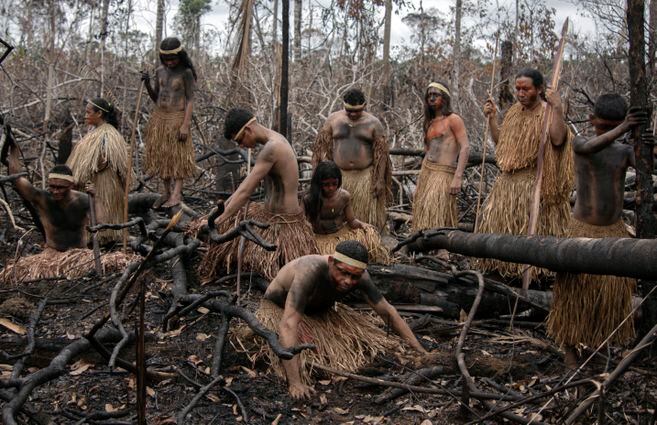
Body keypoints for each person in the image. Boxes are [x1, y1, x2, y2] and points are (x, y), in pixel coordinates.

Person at [546, 95, 647, 368]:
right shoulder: (581, 143)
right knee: (572, 294)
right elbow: (591, 145)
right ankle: (570, 349)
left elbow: (647, 169)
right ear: (591, 121)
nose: (608, 132)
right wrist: (624, 127)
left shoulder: (624, 151)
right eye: (603, 126)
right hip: (581, 229)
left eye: (612, 126)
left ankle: (599, 347)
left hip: (612, 232)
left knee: (607, 297)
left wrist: (644, 144)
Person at [258, 240, 427, 399]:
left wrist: (420, 351)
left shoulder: (361, 276)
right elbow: (288, 324)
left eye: (355, 277)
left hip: (319, 313)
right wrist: (295, 383)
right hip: (280, 311)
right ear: (331, 261)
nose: (348, 281)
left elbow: (387, 311)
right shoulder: (309, 271)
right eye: (343, 272)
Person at [200, 108, 318, 281]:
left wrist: (217, 221)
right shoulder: (275, 139)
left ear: (248, 130)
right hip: (270, 218)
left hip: (285, 225)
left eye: (240, 140)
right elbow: (241, 190)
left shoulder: (272, 148)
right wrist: (216, 214)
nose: (241, 145)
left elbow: (246, 192)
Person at [478, 68, 573, 279]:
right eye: (518, 89)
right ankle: (503, 273)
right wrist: (492, 118)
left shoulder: (547, 113)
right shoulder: (513, 112)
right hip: (507, 187)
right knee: (502, 238)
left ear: (539, 89)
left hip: (533, 186)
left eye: (526, 89)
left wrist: (557, 108)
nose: (520, 93)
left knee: (530, 241)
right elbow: (501, 144)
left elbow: (558, 139)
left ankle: (531, 276)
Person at [2, 144, 133, 282]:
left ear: (71, 186)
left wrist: (96, 198)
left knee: (117, 264)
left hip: (79, 255)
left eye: (60, 187)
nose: (56, 191)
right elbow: (16, 178)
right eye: (52, 186)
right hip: (51, 256)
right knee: (14, 274)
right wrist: (14, 148)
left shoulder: (83, 201)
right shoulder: (42, 198)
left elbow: (101, 223)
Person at [312, 88, 391, 230]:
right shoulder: (333, 120)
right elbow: (320, 147)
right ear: (344, 105)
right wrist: (318, 173)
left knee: (364, 221)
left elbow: (382, 155)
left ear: (364, 105)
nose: (353, 114)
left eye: (357, 111)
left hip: (364, 179)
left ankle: (366, 245)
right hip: (338, 179)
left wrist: (379, 180)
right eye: (349, 110)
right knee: (340, 221)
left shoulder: (373, 123)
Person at [141, 37, 196, 208]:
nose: (170, 62)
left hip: (177, 118)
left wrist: (185, 125)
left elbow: (190, 100)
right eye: (166, 59)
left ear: (180, 56)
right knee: (162, 158)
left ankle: (176, 194)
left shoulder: (186, 73)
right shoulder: (159, 71)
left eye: (173, 59)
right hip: (160, 119)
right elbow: (156, 97)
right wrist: (147, 84)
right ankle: (166, 192)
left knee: (178, 159)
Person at [66, 98, 130, 245]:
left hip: (104, 184)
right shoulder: (94, 133)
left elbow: (106, 161)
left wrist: (84, 173)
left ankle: (104, 237)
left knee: (103, 224)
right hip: (90, 184)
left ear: (99, 113)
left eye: (88, 112)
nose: (85, 115)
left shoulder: (109, 135)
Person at [303, 161, 390, 264]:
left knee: (369, 238)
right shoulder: (309, 199)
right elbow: (302, 223)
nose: (331, 188)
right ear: (319, 183)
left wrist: (363, 226)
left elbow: (352, 221)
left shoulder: (344, 196)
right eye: (326, 185)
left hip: (339, 235)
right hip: (317, 238)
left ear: (339, 181)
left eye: (334, 184)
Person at [412, 82, 470, 233]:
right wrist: (420, 180)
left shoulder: (453, 119)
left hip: (444, 174)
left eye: (435, 95)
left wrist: (458, 176)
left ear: (444, 98)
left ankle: (442, 250)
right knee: (423, 209)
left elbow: (465, 147)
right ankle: (423, 245)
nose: (431, 98)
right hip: (428, 172)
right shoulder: (429, 122)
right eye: (429, 95)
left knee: (439, 211)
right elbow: (428, 152)